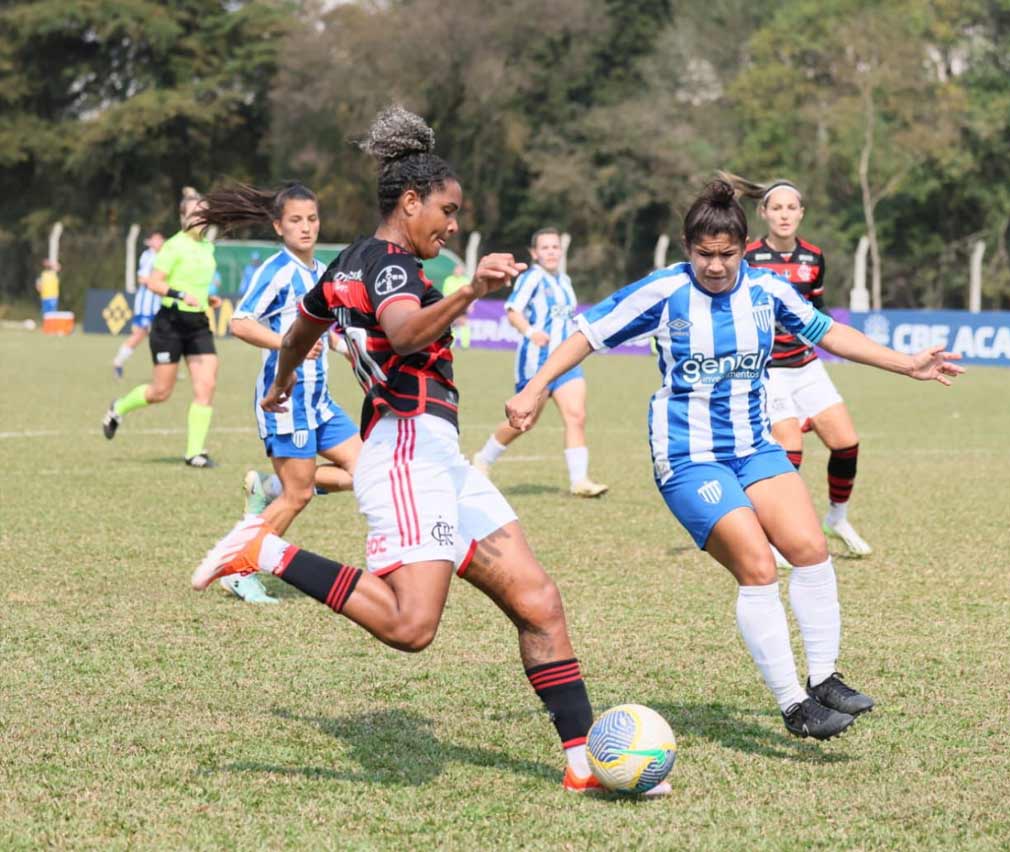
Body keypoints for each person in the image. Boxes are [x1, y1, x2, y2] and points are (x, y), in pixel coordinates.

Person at [190, 106, 652, 794]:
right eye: (447, 210)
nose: (454, 224)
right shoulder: (393, 269)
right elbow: (404, 334)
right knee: (411, 626)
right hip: (406, 451)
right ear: (410, 203)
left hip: (438, 460)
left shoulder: (349, 262)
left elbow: (298, 331)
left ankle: (584, 764)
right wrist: (472, 290)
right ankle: (265, 550)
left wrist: (281, 383)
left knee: (539, 601)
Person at [506, 179, 964, 740]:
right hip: (689, 455)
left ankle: (824, 678)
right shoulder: (664, 291)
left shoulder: (768, 291)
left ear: (744, 248)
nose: (716, 266)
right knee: (758, 566)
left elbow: (831, 335)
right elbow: (586, 335)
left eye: (727, 255)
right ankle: (794, 704)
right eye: (705, 255)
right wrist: (534, 388)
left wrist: (907, 364)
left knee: (811, 549)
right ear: (686, 247)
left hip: (754, 447)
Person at [190, 182, 362, 605]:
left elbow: (329, 330)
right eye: (296, 221)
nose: (306, 228)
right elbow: (241, 322)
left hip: (319, 402)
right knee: (298, 495)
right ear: (278, 226)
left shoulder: (320, 270)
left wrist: (351, 351)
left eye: (312, 219)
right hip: (285, 403)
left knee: (368, 473)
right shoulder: (277, 271)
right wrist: (287, 343)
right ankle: (240, 571)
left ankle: (269, 486)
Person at [727, 173, 873, 557]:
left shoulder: (813, 257)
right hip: (768, 370)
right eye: (776, 208)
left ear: (801, 213)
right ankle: (776, 533)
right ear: (763, 213)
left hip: (807, 366)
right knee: (789, 447)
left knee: (846, 443)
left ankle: (837, 519)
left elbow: (818, 311)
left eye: (791, 207)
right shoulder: (749, 258)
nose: (784, 215)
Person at [471, 229, 607, 497]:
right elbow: (512, 311)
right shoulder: (532, 278)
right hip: (537, 361)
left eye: (555, 247)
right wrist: (532, 332)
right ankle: (483, 460)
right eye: (545, 248)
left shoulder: (565, 280)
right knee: (526, 421)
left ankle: (579, 481)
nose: (551, 252)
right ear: (534, 253)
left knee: (576, 416)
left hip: (566, 363)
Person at [102, 188, 222, 468]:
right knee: (161, 392)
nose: (200, 219)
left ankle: (195, 453)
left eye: (204, 214)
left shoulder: (208, 246)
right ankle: (118, 408)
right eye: (194, 214)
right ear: (183, 218)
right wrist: (181, 295)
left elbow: (198, 285)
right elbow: (154, 282)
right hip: (170, 323)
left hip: (199, 324)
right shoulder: (173, 246)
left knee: (207, 386)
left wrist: (207, 299)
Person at [113, 231, 166, 379]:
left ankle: (166, 369)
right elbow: (142, 279)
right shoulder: (148, 256)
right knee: (139, 335)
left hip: (159, 304)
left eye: (161, 239)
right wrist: (158, 283)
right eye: (156, 239)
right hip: (146, 304)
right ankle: (118, 361)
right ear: (150, 242)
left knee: (164, 335)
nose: (159, 242)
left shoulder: (165, 256)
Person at [440, 262, 472, 349]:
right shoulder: (448, 280)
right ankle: (451, 344)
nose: (458, 271)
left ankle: (465, 345)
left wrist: (470, 305)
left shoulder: (465, 280)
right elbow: (445, 294)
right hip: (451, 304)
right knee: (451, 324)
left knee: (463, 323)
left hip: (462, 304)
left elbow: (470, 294)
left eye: (460, 270)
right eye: (457, 269)